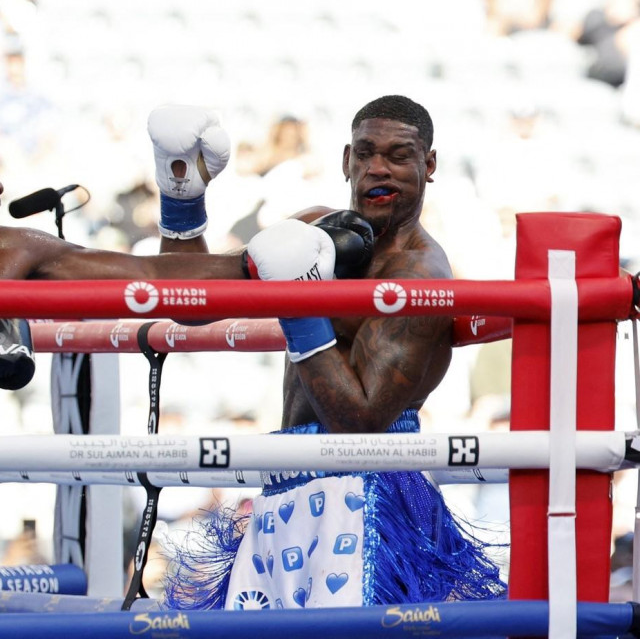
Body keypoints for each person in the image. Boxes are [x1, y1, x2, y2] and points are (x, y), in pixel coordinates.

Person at [0, 96, 505, 610]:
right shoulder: (312, 229)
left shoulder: (417, 275)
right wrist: (183, 194)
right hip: (286, 480)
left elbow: (359, 424)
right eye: (366, 152)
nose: (379, 168)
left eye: (399, 155)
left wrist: (300, 301)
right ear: (346, 160)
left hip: (368, 499)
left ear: (430, 165)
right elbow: (195, 301)